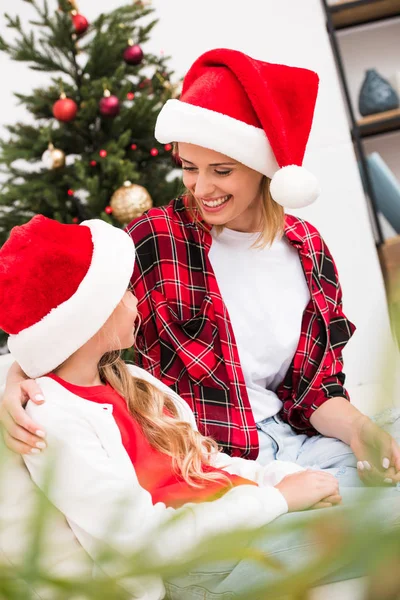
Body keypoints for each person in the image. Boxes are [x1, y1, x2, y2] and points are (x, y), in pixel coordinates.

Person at [2, 48, 400, 488]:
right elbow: (65, 311)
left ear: (263, 169)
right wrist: (18, 377)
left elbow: (315, 389)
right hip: (210, 463)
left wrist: (361, 430)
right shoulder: (156, 239)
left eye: (222, 171)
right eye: (190, 168)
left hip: (298, 440)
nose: (202, 188)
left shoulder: (308, 250)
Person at [0, 215, 345, 599]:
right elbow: (143, 542)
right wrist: (276, 499)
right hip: (196, 562)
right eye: (126, 291)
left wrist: (279, 480)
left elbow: (206, 461)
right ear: (92, 318)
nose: (136, 301)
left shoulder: (133, 381)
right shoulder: (53, 417)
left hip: (243, 516)